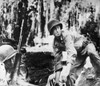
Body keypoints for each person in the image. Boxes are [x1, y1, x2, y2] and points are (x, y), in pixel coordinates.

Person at [47, 19, 100, 86]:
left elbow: (71, 52)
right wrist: (57, 82)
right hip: (79, 54)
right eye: (54, 29)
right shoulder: (55, 44)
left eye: (58, 28)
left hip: (86, 46)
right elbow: (58, 62)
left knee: (92, 54)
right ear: (52, 33)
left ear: (60, 28)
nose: (57, 31)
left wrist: (66, 72)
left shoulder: (66, 35)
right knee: (71, 76)